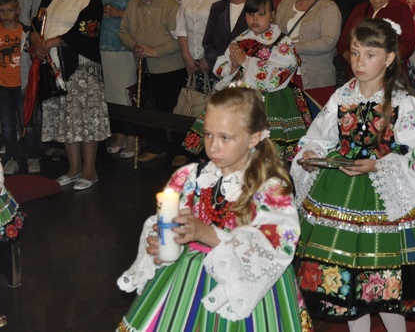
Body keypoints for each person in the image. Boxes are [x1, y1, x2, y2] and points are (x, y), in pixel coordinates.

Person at [291, 18, 415, 331]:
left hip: (384, 197)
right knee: (349, 283)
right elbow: (320, 136)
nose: (359, 62)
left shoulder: (404, 104)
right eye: (354, 54)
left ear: (390, 57)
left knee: (385, 281)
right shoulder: (342, 96)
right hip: (340, 194)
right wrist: (311, 155)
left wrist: (380, 164)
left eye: (369, 54)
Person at [117, 87, 312, 331]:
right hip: (187, 281)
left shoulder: (269, 188)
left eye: (225, 137)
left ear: (253, 138)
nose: (213, 147)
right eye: (208, 135)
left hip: (242, 290)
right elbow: (169, 225)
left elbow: (274, 247)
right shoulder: (190, 177)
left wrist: (203, 233)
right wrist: (164, 242)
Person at [30, 0, 110, 190]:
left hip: (80, 67)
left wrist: (54, 41)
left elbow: (87, 30)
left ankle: (89, 170)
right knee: (66, 120)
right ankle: (74, 168)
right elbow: (38, 22)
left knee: (84, 119)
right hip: (54, 66)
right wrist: (36, 40)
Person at [208, 0, 310, 162]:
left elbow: (282, 71)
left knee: (269, 152)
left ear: (272, 14)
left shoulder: (281, 42)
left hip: (274, 100)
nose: (255, 19)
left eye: (261, 14)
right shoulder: (240, 39)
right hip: (240, 99)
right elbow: (219, 67)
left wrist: (246, 61)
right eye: (250, 14)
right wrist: (233, 66)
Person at [118, 0, 185, 149]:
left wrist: (153, 51)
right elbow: (123, 32)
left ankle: (175, 150)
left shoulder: (171, 6)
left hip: (170, 69)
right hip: (144, 68)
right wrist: (134, 46)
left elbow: (179, 39)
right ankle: (155, 149)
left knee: (170, 111)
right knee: (149, 111)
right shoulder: (132, 4)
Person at [93, 0, 139, 160]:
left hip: (123, 47)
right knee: (109, 96)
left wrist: (121, 13)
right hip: (99, 45)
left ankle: (131, 138)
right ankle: (119, 136)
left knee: (124, 94)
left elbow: (141, 13)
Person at [276, 0, 341, 111]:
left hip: (317, 79)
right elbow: (274, 35)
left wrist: (292, 47)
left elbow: (328, 42)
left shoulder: (329, 7)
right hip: (285, 75)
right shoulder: (285, 4)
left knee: (316, 126)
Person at [173, 0, 226, 99]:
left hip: (214, 59)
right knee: (192, 104)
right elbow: (181, 26)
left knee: (213, 106)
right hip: (190, 59)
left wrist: (208, 57)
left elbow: (221, 30)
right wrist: (186, 56)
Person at [338, 0, 415, 71]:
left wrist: (381, 61)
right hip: (357, 72)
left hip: (388, 73)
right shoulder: (359, 9)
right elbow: (343, 41)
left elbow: (408, 45)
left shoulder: (401, 10)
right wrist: (351, 57)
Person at [0, 0, 39, 175]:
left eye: (9, 10)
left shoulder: (25, 32)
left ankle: (32, 157)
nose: (5, 15)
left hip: (21, 86)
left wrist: (29, 84)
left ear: (17, 11)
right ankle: (12, 158)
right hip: (2, 87)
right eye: (1, 11)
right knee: (7, 127)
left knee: (27, 125)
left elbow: (32, 60)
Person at [202, 0, 251, 75]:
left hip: (249, 71)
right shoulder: (217, 8)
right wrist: (219, 67)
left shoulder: (255, 6)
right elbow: (209, 42)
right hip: (221, 71)